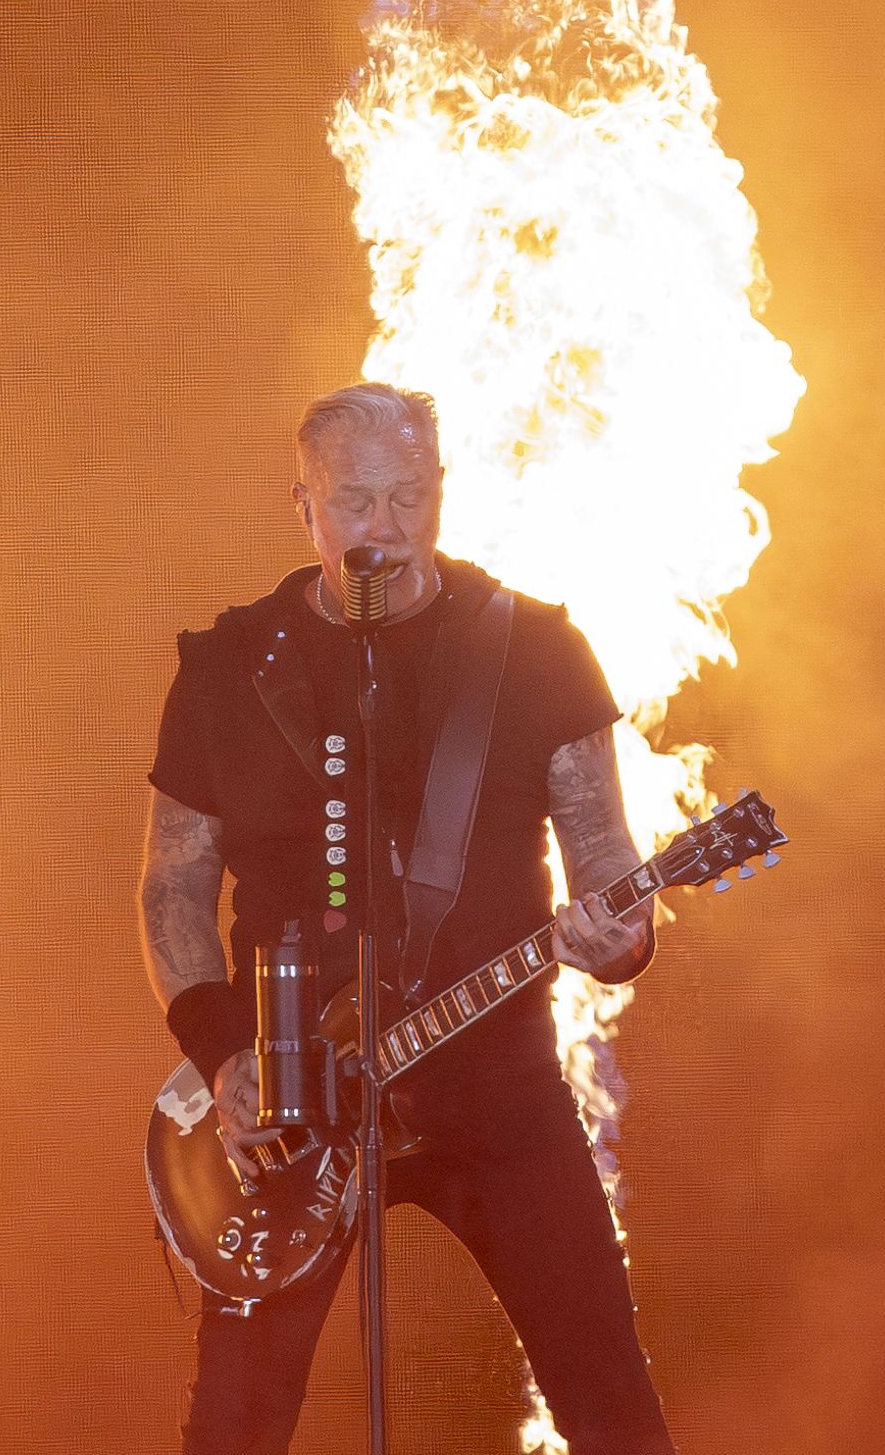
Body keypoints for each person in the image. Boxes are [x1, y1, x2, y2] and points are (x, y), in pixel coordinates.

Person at [139, 382, 676, 1454]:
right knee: (233, 1428)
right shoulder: (228, 666)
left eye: (409, 497)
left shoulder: (534, 650)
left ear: (441, 491)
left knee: (612, 1408)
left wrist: (620, 933)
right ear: (304, 504)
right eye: (354, 502)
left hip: (497, 1083)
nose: (383, 527)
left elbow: (607, 854)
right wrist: (222, 1052)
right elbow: (173, 882)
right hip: (295, 1093)